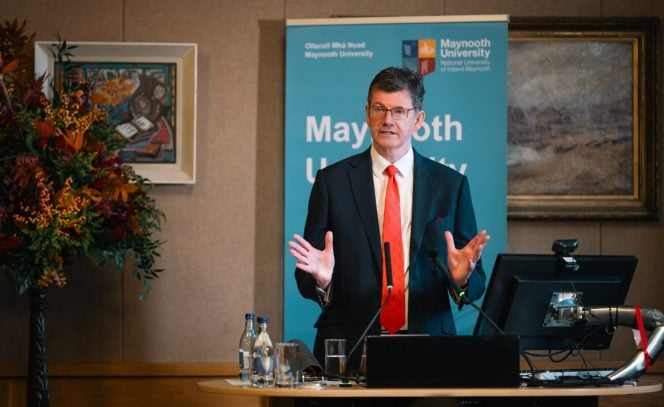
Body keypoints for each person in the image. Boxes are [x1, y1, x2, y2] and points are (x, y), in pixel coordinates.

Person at [288, 66, 490, 373]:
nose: (388, 120)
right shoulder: (333, 182)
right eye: (379, 109)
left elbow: (474, 284)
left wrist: (460, 278)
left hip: (429, 347)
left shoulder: (451, 185)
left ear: (418, 120)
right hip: (350, 348)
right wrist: (323, 280)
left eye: (399, 110)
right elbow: (307, 273)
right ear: (367, 114)